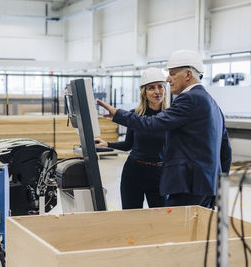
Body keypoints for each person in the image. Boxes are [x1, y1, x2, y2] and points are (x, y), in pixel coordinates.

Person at [97, 50, 232, 208]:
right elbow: (225, 153)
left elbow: (152, 125)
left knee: (175, 230)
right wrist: (220, 189)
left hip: (188, 186)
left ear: (188, 74)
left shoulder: (189, 99)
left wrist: (118, 114)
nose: (168, 80)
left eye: (172, 74)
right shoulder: (213, 104)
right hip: (205, 187)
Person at [96, 68, 168, 209]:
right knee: (131, 215)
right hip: (134, 172)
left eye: (160, 86)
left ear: (165, 89)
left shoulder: (171, 116)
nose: (157, 91)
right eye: (151, 88)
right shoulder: (135, 115)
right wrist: (108, 144)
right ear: (144, 93)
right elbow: (128, 145)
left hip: (159, 174)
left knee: (161, 217)